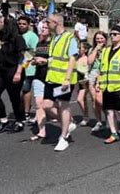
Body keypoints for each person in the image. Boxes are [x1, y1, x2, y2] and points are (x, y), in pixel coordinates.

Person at [43, 13, 78, 152]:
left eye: (48, 22)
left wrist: (67, 79)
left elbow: (72, 59)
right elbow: (54, 58)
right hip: (51, 78)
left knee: (64, 106)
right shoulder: (54, 38)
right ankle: (67, 123)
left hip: (64, 79)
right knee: (46, 105)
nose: (46, 25)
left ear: (56, 22)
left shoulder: (70, 38)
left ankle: (63, 138)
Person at [0, 18, 27, 133]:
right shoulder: (0, 37)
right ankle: (4, 120)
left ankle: (20, 121)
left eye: (1, 21)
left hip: (13, 70)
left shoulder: (18, 38)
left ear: (8, 25)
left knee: (14, 98)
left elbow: (22, 57)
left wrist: (18, 73)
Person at [29, 20, 51, 140]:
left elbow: (58, 59)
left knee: (52, 105)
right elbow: (34, 59)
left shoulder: (53, 43)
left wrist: (45, 61)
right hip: (38, 76)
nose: (42, 29)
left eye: (45, 28)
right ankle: (42, 131)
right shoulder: (39, 43)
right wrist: (34, 61)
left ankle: (67, 122)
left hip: (51, 77)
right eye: (42, 28)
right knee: (38, 104)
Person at [17, 16, 39, 122]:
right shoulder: (16, 35)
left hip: (29, 68)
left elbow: (36, 51)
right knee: (19, 90)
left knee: (26, 90)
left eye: (24, 24)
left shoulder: (32, 36)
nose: (21, 25)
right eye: (20, 23)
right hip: (17, 67)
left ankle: (26, 113)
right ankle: (22, 110)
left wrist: (27, 61)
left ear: (28, 24)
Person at [87, 31, 108, 132]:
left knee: (103, 101)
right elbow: (89, 61)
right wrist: (95, 50)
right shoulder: (92, 49)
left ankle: (109, 120)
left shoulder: (108, 50)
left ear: (105, 39)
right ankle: (99, 121)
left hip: (104, 75)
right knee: (95, 101)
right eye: (97, 39)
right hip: (93, 74)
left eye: (101, 38)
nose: (99, 41)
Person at [76, 42, 91, 126]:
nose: (78, 49)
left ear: (85, 50)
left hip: (84, 81)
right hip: (77, 82)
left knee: (79, 99)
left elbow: (87, 70)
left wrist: (85, 77)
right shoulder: (77, 58)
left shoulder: (86, 58)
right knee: (83, 100)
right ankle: (86, 117)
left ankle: (86, 116)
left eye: (80, 48)